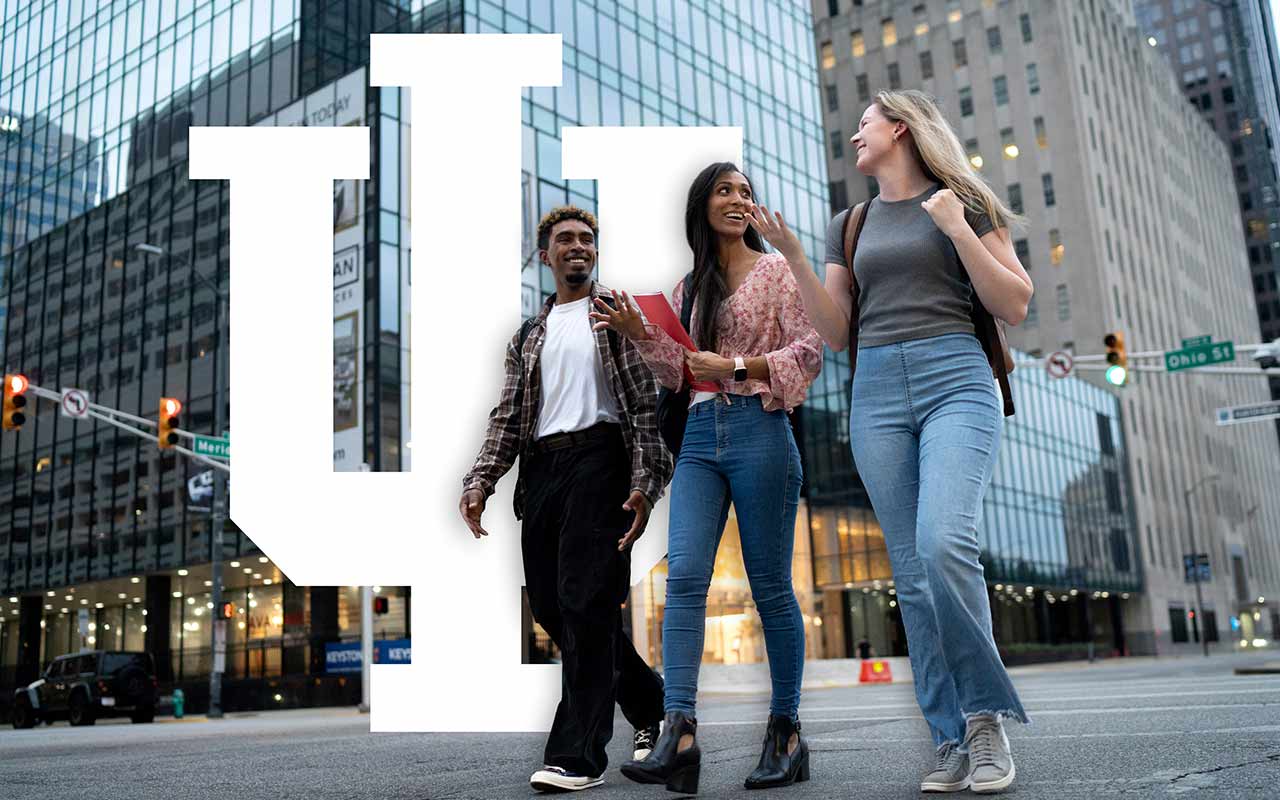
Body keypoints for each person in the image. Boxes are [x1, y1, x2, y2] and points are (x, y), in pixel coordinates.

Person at [785, 89, 1034, 795]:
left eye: (863, 125)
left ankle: (986, 723)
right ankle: (950, 739)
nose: (854, 136)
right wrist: (800, 256)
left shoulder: (965, 201)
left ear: (898, 127)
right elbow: (836, 332)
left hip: (956, 374)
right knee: (913, 576)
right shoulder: (851, 223)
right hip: (877, 394)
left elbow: (1014, 302)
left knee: (942, 544)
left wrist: (956, 229)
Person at [590, 162, 823, 793]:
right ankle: (680, 731)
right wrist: (641, 331)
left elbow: (810, 351)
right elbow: (680, 373)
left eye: (746, 191)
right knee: (686, 575)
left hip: (760, 431)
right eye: (726, 190)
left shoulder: (776, 271)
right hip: (697, 436)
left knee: (770, 584)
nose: (739, 199)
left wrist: (739, 362)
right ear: (703, 205)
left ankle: (786, 732)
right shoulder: (690, 286)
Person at [460, 206, 673, 793]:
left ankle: (577, 756)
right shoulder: (529, 334)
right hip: (543, 470)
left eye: (587, 239)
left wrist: (646, 482)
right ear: (545, 255)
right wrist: (480, 480)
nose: (577, 246)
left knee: (585, 603)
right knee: (555, 609)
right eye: (565, 240)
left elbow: (643, 407)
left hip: (602, 463)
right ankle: (652, 706)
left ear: (595, 252)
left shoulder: (617, 314)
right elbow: (508, 417)